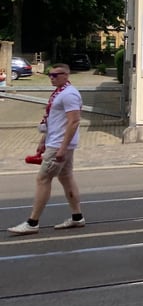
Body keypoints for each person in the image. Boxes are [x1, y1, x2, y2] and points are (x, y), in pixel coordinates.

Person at [8, 64, 85, 235]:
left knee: (43, 179)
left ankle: (32, 222)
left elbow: (74, 121)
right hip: (55, 142)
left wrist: (62, 148)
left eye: (55, 75)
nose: (51, 78)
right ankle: (77, 217)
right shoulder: (60, 92)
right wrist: (43, 140)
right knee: (66, 177)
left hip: (59, 144)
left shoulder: (69, 94)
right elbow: (54, 120)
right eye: (50, 75)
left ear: (66, 75)